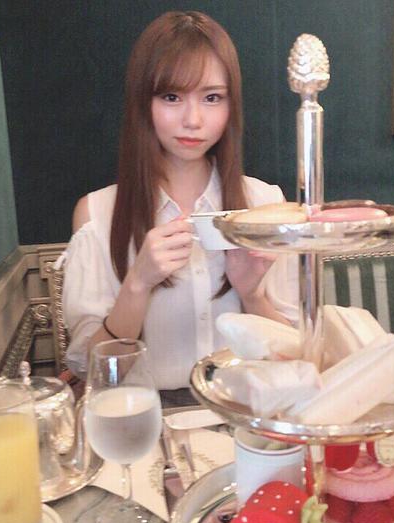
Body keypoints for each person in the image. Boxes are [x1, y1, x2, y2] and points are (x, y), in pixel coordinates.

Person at [62, 11, 298, 399]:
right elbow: (95, 371)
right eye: (171, 97)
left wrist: (252, 294)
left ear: (231, 105)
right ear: (143, 102)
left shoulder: (265, 204)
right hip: (148, 417)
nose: (193, 119)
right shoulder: (98, 214)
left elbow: (295, 357)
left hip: (247, 412)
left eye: (212, 98)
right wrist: (137, 284)